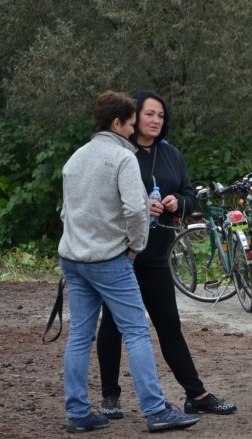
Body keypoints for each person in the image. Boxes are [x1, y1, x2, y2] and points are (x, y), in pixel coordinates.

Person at [58, 91, 199, 433]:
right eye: (132, 123)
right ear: (117, 123)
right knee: (136, 332)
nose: (135, 129)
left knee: (79, 335)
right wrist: (135, 247)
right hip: (109, 259)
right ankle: (155, 409)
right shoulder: (123, 159)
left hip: (73, 258)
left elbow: (65, 212)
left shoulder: (75, 158)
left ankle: (78, 413)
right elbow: (136, 210)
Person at [96, 90, 236, 419]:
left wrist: (178, 203)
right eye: (149, 114)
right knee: (113, 325)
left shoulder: (171, 155)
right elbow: (102, 199)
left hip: (158, 254)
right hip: (122, 255)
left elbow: (190, 195)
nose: (156, 120)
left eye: (160, 115)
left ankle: (196, 395)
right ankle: (110, 396)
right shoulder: (119, 153)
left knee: (169, 326)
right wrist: (139, 205)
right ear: (133, 117)